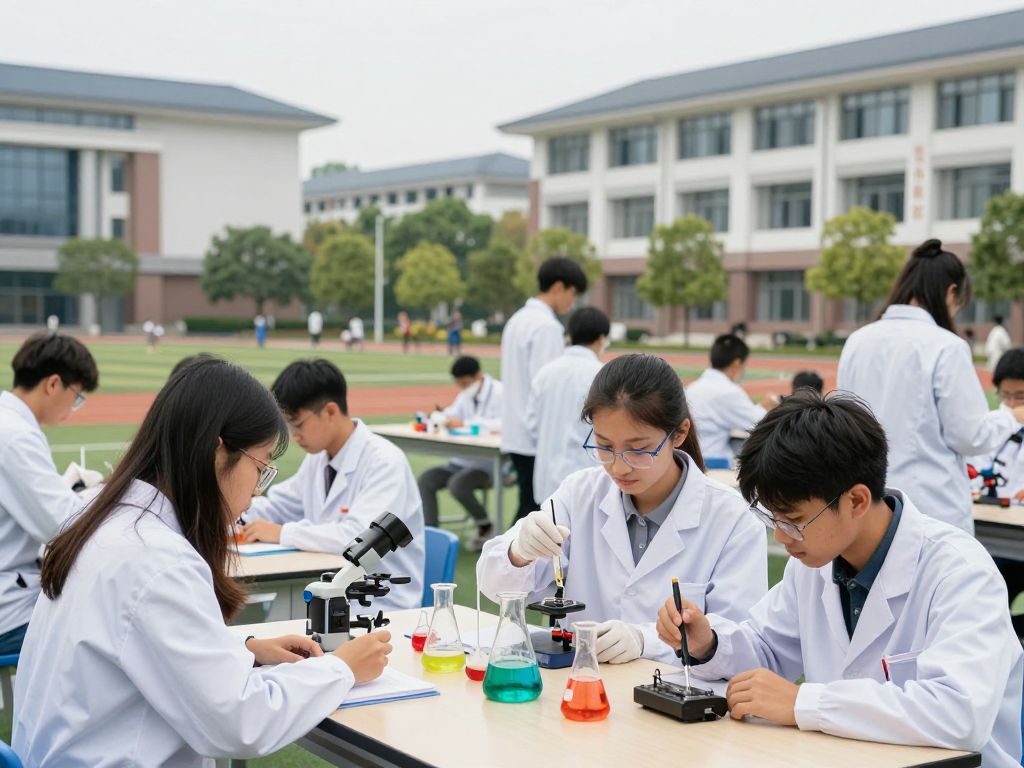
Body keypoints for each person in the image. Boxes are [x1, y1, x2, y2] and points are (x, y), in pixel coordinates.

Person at [12, 358, 393, 764]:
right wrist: (343, 669)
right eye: (261, 467)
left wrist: (243, 647)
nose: (253, 494)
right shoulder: (158, 560)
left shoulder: (107, 518)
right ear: (218, 451)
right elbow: (239, 723)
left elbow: (137, 640)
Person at [656, 391, 1023, 767]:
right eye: (773, 519)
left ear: (857, 501)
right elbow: (767, 647)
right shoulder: (815, 564)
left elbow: (960, 716)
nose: (781, 537)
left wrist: (804, 703)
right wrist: (708, 643)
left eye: (794, 520)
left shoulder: (961, 573)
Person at [479, 354, 767, 665]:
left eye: (639, 449)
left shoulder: (731, 520)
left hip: (677, 700)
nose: (618, 466)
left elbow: (741, 642)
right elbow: (496, 587)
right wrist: (519, 553)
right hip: (581, 689)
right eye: (604, 446)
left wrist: (645, 640)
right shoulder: (579, 494)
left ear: (679, 434)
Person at [838, 238, 1024, 532]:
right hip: (930, 508)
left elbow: (842, 425)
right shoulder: (946, 346)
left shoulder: (857, 341)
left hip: (866, 504)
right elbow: (970, 436)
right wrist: (1009, 418)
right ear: (951, 292)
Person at [242, 359, 424, 609]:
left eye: (298, 424)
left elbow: (358, 539)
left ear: (330, 411)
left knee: (277, 620)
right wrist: (234, 511)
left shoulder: (385, 462)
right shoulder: (318, 459)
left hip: (378, 602)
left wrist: (282, 532)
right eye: (287, 425)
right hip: (331, 588)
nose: (294, 436)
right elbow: (278, 506)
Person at [0, 332, 99, 655]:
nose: (74, 407)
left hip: (13, 586)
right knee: (110, 624)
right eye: (77, 396)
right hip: (8, 609)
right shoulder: (15, 436)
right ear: (53, 384)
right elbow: (63, 525)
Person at [500, 257, 586, 522]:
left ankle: (511, 560)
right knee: (536, 513)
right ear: (559, 287)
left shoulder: (517, 320)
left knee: (528, 507)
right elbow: (548, 385)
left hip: (516, 433)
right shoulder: (547, 327)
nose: (573, 302)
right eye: (573, 294)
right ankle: (510, 562)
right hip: (535, 436)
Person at [417, 356, 502, 550]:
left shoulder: (500, 392)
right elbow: (452, 414)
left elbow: (503, 425)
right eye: (459, 384)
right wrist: (441, 416)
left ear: (477, 376)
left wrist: (466, 424)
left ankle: (485, 526)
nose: (462, 387)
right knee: (427, 479)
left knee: (458, 484)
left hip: (487, 463)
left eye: (464, 383)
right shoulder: (465, 394)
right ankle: (430, 537)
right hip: (460, 461)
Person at [527, 306, 610, 502]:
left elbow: (532, 426)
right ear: (601, 339)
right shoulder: (604, 375)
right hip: (587, 480)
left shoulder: (545, 373)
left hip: (546, 480)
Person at [685, 334, 775, 465]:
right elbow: (758, 423)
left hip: (690, 458)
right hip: (712, 462)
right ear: (737, 363)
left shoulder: (692, 388)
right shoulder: (728, 391)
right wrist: (766, 406)